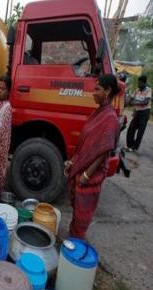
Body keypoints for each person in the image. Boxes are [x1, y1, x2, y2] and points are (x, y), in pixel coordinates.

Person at [64, 74, 120, 239]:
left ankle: (76, 243)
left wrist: (87, 175)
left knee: (82, 215)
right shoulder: (98, 113)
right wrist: (72, 162)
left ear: (108, 91)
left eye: (97, 89)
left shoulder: (110, 118)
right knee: (77, 212)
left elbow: (104, 151)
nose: (93, 93)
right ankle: (73, 238)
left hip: (91, 175)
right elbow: (86, 144)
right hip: (83, 169)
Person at [125, 75, 151, 152]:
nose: (139, 84)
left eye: (141, 83)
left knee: (140, 131)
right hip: (137, 111)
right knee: (131, 129)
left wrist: (134, 103)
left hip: (145, 112)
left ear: (144, 83)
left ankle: (134, 147)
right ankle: (129, 145)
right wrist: (127, 102)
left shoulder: (148, 90)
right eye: (138, 82)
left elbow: (146, 102)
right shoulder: (137, 90)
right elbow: (131, 98)